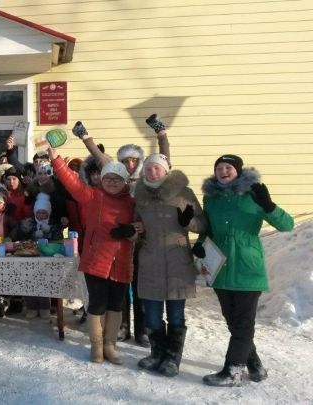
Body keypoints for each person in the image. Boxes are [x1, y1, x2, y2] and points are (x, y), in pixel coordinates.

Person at [72, 118, 172, 346]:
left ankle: (143, 328)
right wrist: (85, 137)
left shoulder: (150, 178)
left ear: (140, 161)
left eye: (133, 160)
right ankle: (122, 326)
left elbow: (165, 159)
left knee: (141, 287)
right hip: (121, 240)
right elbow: (100, 158)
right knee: (121, 284)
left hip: (145, 241)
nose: (129, 164)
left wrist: (161, 134)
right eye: (125, 160)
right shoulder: (117, 179)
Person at [198, 154, 294, 386]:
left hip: (247, 270)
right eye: (219, 167)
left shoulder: (254, 195)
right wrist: (200, 244)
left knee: (242, 323)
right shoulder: (211, 199)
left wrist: (269, 206)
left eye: (228, 167)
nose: (223, 171)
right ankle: (254, 365)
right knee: (234, 322)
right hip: (220, 268)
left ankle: (232, 371)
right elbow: (207, 228)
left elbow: (287, 225)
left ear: (238, 171)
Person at [50, 147, 135, 365]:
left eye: (117, 179)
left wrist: (133, 230)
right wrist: (56, 160)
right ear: (102, 180)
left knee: (116, 306)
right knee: (97, 305)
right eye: (108, 178)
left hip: (122, 261)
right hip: (96, 260)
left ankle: (110, 345)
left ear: (125, 181)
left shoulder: (132, 202)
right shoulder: (93, 196)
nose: (112, 182)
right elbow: (73, 183)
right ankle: (97, 347)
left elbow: (142, 226)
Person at [133, 153, 207, 377]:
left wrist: (189, 222)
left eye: (157, 168)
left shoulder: (184, 193)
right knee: (152, 315)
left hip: (177, 262)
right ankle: (157, 353)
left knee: (176, 315)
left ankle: (173, 358)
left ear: (166, 171)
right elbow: (135, 227)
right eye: (148, 168)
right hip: (150, 261)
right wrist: (135, 231)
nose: (152, 172)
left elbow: (202, 224)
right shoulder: (139, 196)